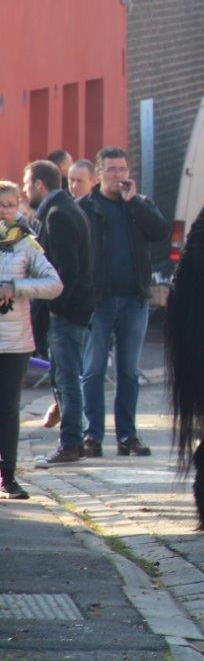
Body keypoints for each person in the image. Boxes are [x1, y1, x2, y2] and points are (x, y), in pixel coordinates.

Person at [79, 148, 169, 456]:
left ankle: (127, 436)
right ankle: (92, 436)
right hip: (98, 302)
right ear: (100, 173)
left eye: (123, 169)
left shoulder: (139, 204)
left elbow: (159, 233)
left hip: (134, 300)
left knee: (129, 372)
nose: (119, 176)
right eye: (112, 170)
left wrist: (135, 204)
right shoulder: (86, 207)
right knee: (92, 370)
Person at [24, 161, 93, 465]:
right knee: (63, 377)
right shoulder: (63, 209)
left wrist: (54, 307)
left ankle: (71, 443)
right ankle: (71, 440)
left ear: (40, 184)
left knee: (67, 379)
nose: (25, 192)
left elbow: (67, 270)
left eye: (27, 185)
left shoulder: (59, 214)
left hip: (66, 312)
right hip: (68, 310)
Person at [0, 182, 63, 499]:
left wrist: (17, 286)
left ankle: (8, 476)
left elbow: (54, 284)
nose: (5, 211)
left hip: (15, 340)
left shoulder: (27, 244)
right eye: (0, 205)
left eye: (11, 205)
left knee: (9, 408)